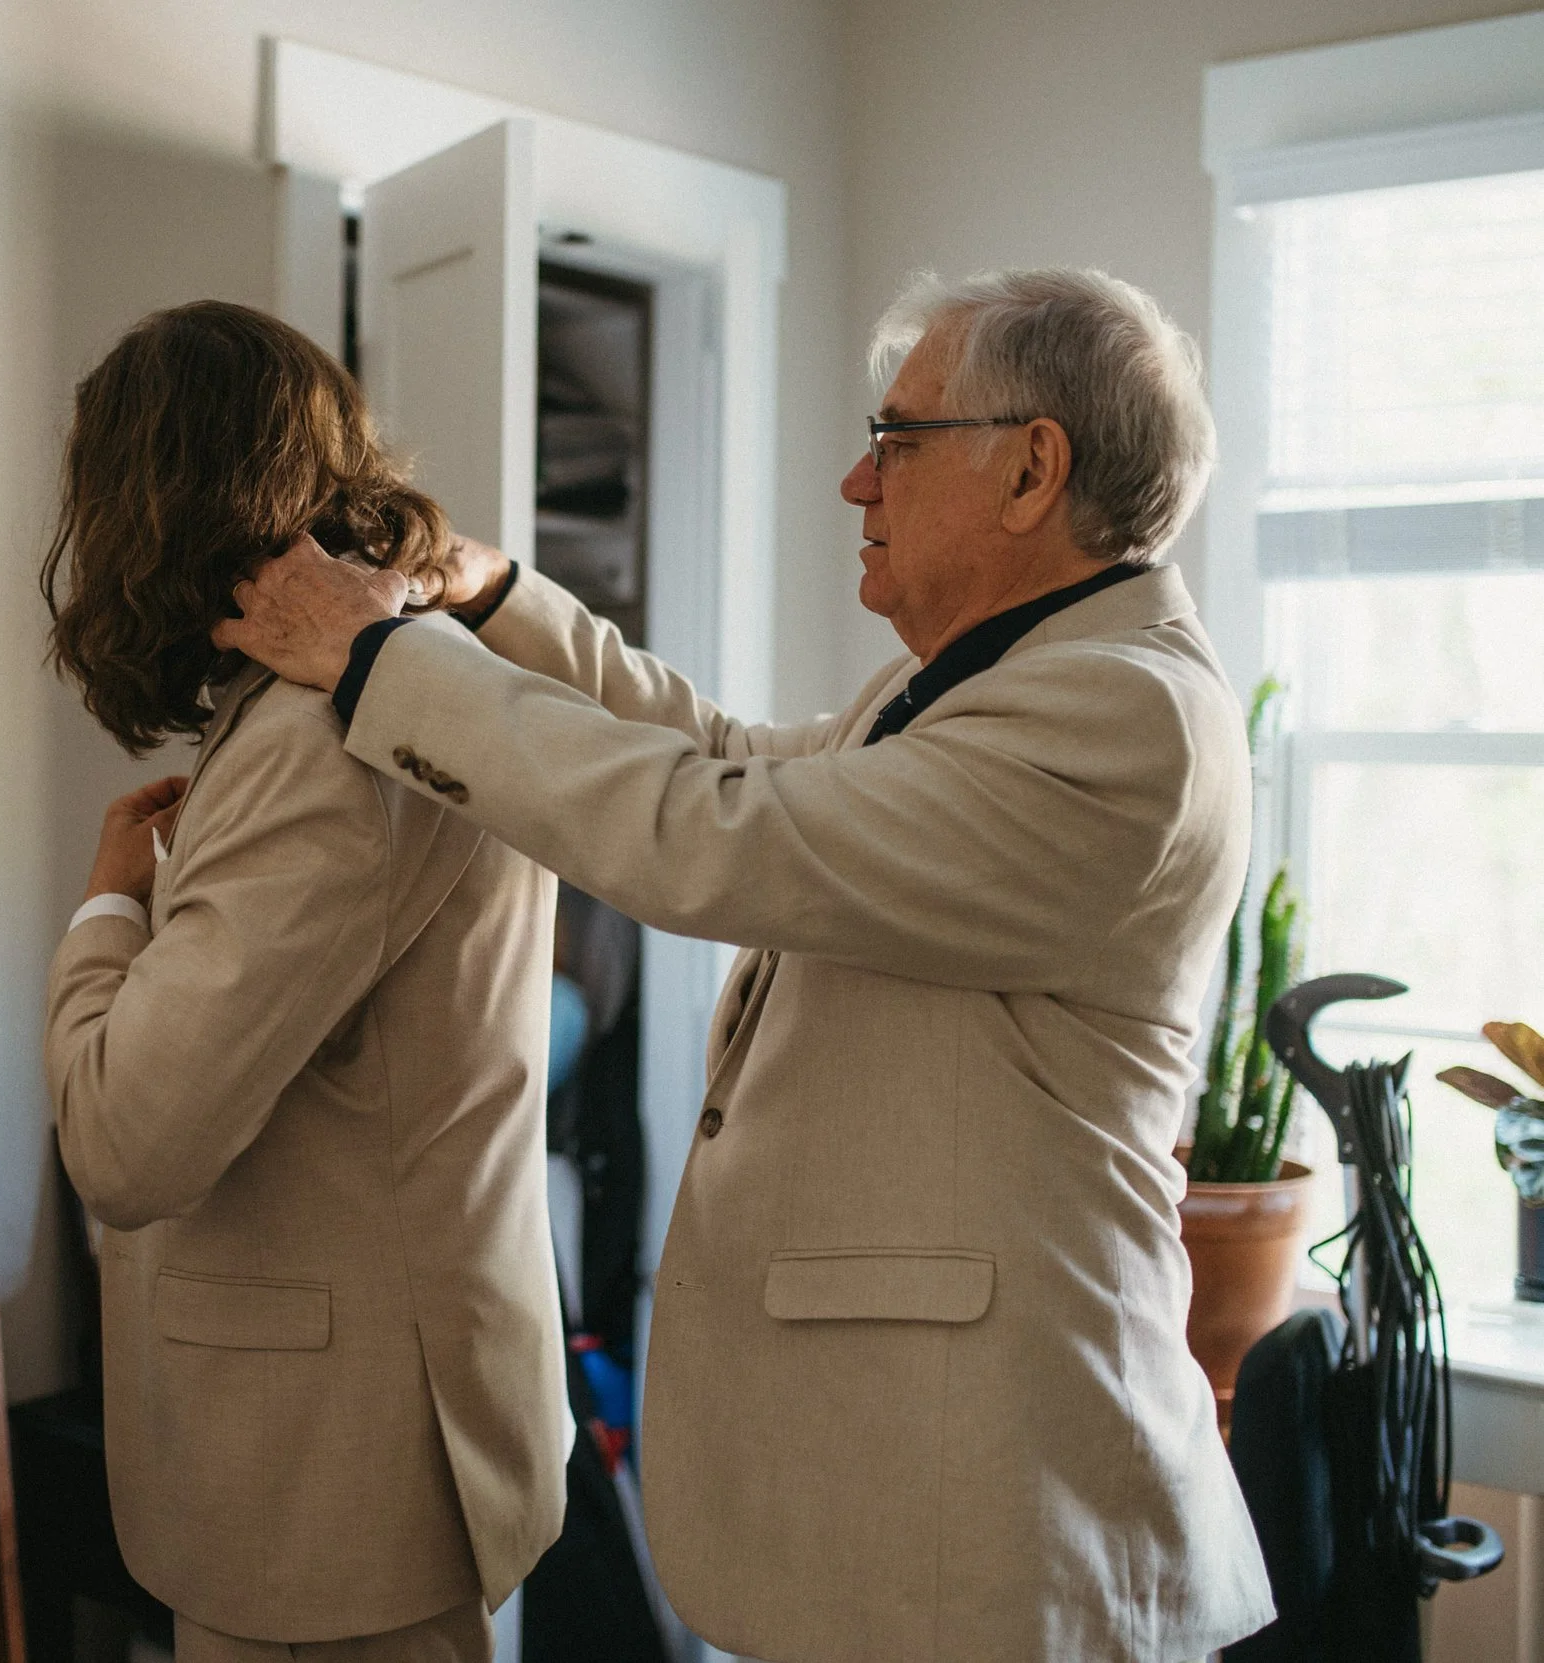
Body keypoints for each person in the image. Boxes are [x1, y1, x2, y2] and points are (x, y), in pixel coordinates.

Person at [214, 268, 1276, 1663]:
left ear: (1033, 468)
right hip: (922, 1523)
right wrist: (500, 600)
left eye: (896, 438)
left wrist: (377, 659)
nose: (855, 479)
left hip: (1002, 1548)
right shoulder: (968, 679)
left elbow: (717, 836)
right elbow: (724, 757)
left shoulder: (1130, 717)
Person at [41, 301, 567, 1663]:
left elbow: (122, 1144)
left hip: (327, 1489)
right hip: (354, 1443)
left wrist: (110, 903)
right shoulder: (394, 683)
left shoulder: (317, 736)